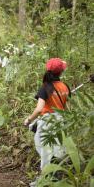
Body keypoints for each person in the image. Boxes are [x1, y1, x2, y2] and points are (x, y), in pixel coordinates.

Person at [24, 58, 70, 186]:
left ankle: (44, 181)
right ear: (61, 73)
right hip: (61, 121)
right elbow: (68, 108)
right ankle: (55, 176)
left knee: (44, 151)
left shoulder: (46, 87)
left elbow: (39, 109)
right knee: (57, 150)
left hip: (47, 122)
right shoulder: (65, 86)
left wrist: (28, 119)